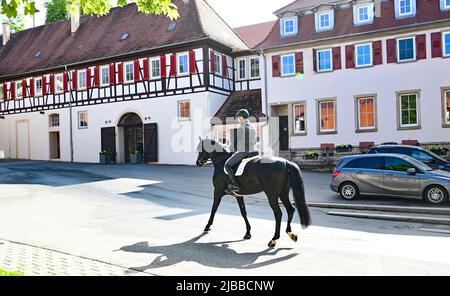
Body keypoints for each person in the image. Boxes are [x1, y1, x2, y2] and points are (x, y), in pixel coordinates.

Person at [224, 109, 258, 196]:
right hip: (254, 151)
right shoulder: (253, 127)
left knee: (227, 165)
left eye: (238, 119)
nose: (238, 121)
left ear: (242, 118)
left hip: (244, 151)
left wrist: (230, 149)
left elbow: (234, 144)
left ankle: (235, 185)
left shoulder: (241, 128)